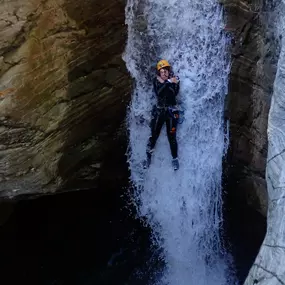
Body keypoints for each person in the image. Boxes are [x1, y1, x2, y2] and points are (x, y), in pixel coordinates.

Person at [144, 59, 180, 170]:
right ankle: (148, 158)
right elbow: (159, 93)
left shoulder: (173, 81)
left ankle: (175, 159)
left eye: (166, 71)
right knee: (153, 136)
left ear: (169, 72)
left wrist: (173, 82)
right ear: (159, 73)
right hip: (159, 112)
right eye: (162, 71)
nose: (164, 73)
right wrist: (168, 82)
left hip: (171, 112)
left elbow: (174, 94)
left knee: (172, 137)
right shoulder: (156, 81)